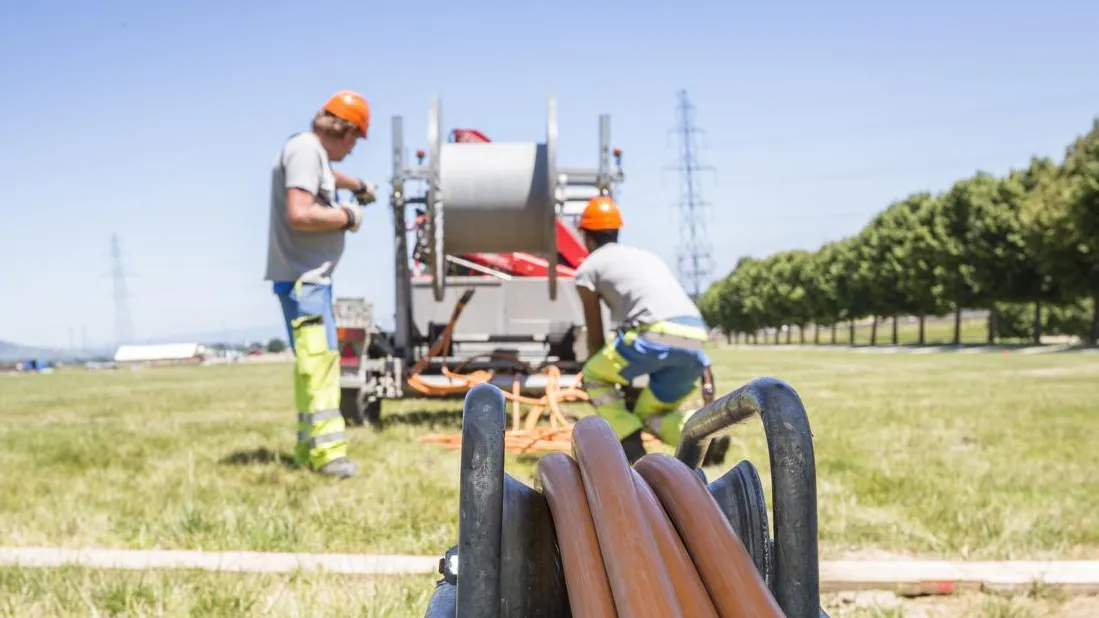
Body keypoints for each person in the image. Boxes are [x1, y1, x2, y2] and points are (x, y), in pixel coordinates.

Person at [264, 90, 377, 479]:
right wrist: (347, 215)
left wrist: (359, 184)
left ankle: (307, 447)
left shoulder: (311, 153)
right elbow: (300, 212)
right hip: (305, 282)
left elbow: (328, 173)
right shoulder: (306, 151)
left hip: (306, 281)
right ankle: (328, 455)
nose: (354, 148)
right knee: (320, 367)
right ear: (346, 132)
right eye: (357, 140)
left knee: (312, 367)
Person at [573, 195, 729, 465]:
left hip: (654, 335)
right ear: (617, 231)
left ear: (586, 236)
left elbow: (595, 333)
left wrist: (600, 365)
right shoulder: (645, 256)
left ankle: (630, 445)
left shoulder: (589, 268)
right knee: (650, 415)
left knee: (593, 375)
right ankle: (708, 439)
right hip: (694, 338)